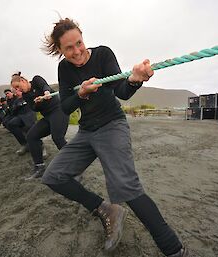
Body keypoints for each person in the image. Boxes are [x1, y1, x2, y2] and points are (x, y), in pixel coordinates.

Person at [41, 18, 188, 257]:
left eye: (79, 42)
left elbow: (122, 91)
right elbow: (66, 107)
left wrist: (135, 79)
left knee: (125, 186)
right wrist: (82, 93)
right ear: (59, 50)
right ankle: (105, 209)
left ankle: (174, 249)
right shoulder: (64, 69)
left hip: (112, 125)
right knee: (53, 176)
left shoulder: (103, 55)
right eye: (69, 48)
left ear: (83, 37)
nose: (77, 51)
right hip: (87, 131)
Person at [11, 72, 69, 179]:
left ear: (23, 81)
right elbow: (34, 108)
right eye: (16, 89)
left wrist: (46, 92)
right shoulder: (25, 95)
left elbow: (44, 86)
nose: (18, 91)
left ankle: (74, 166)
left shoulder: (36, 80)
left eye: (18, 87)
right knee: (31, 136)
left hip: (59, 110)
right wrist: (37, 102)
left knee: (57, 138)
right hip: (47, 116)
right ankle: (39, 167)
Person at [4, 88, 37, 155]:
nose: (16, 92)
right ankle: (24, 144)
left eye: (17, 90)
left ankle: (41, 147)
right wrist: (15, 107)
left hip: (30, 115)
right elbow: (13, 112)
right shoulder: (16, 101)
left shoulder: (28, 96)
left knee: (30, 127)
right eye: (15, 91)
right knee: (11, 124)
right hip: (21, 117)